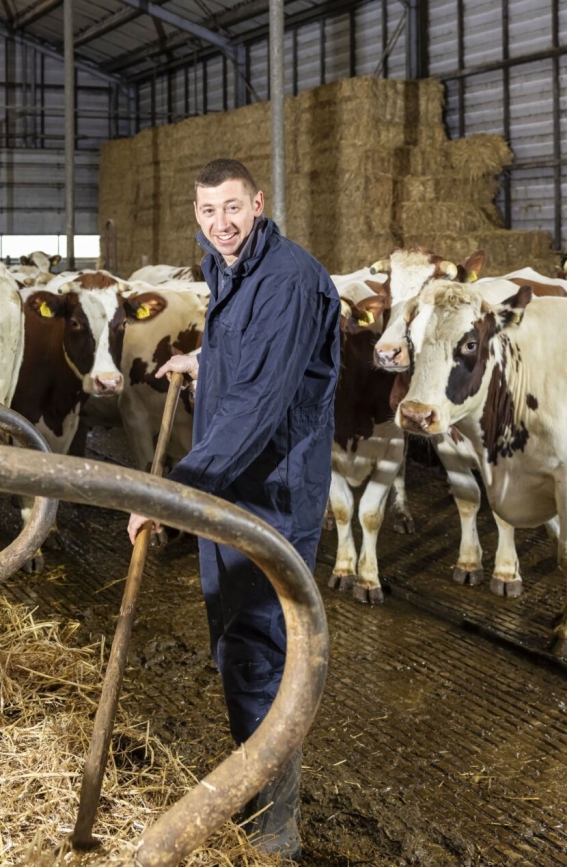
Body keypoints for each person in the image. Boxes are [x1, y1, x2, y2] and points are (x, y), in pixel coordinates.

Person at [127, 159, 339, 860]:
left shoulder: (287, 278)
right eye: (207, 211)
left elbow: (260, 401)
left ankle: (273, 833)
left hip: (270, 491)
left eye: (232, 207)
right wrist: (203, 364)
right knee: (239, 643)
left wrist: (178, 489)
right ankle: (260, 806)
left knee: (261, 653)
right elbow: (245, 368)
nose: (220, 223)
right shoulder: (233, 270)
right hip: (235, 486)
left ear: (259, 203)